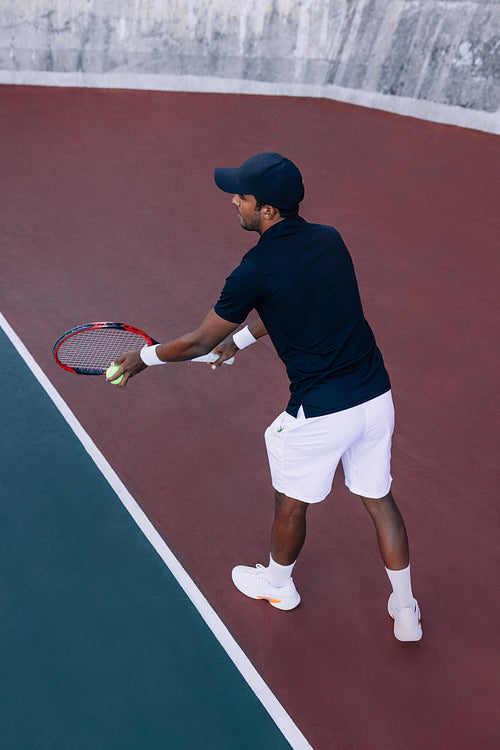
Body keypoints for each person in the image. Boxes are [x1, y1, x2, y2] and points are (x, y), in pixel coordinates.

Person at [112, 152, 422, 642]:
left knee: (290, 505)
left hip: (319, 414)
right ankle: (406, 610)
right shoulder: (330, 240)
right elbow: (291, 304)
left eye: (242, 196)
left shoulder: (253, 269)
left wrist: (143, 358)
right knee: (379, 500)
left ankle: (279, 586)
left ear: (268, 211)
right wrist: (238, 342)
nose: (234, 201)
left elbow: (197, 342)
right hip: (375, 399)